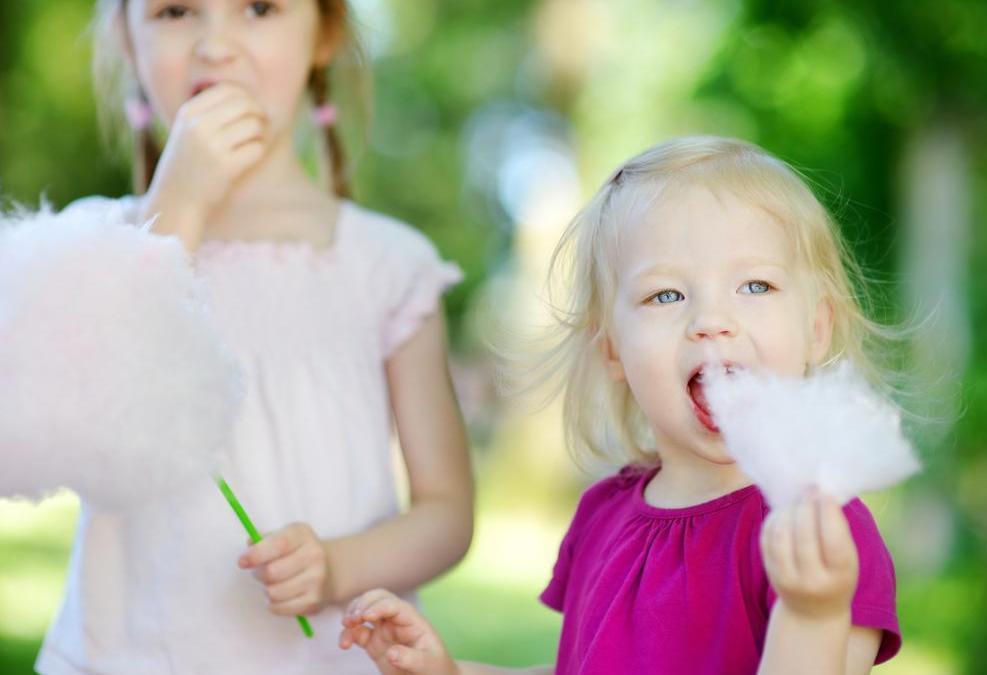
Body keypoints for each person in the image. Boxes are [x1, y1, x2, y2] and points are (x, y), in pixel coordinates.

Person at [338, 136, 903, 675]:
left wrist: (812, 614)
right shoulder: (603, 516)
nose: (711, 321)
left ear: (818, 327)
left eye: (755, 286)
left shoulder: (821, 531)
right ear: (613, 348)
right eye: (666, 295)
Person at [36, 2, 474, 672]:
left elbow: (447, 512)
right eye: (176, 10)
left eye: (259, 8)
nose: (216, 45)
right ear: (126, 35)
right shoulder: (91, 246)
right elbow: (79, 429)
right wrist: (177, 206)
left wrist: (335, 566)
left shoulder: (387, 265)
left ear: (324, 31)